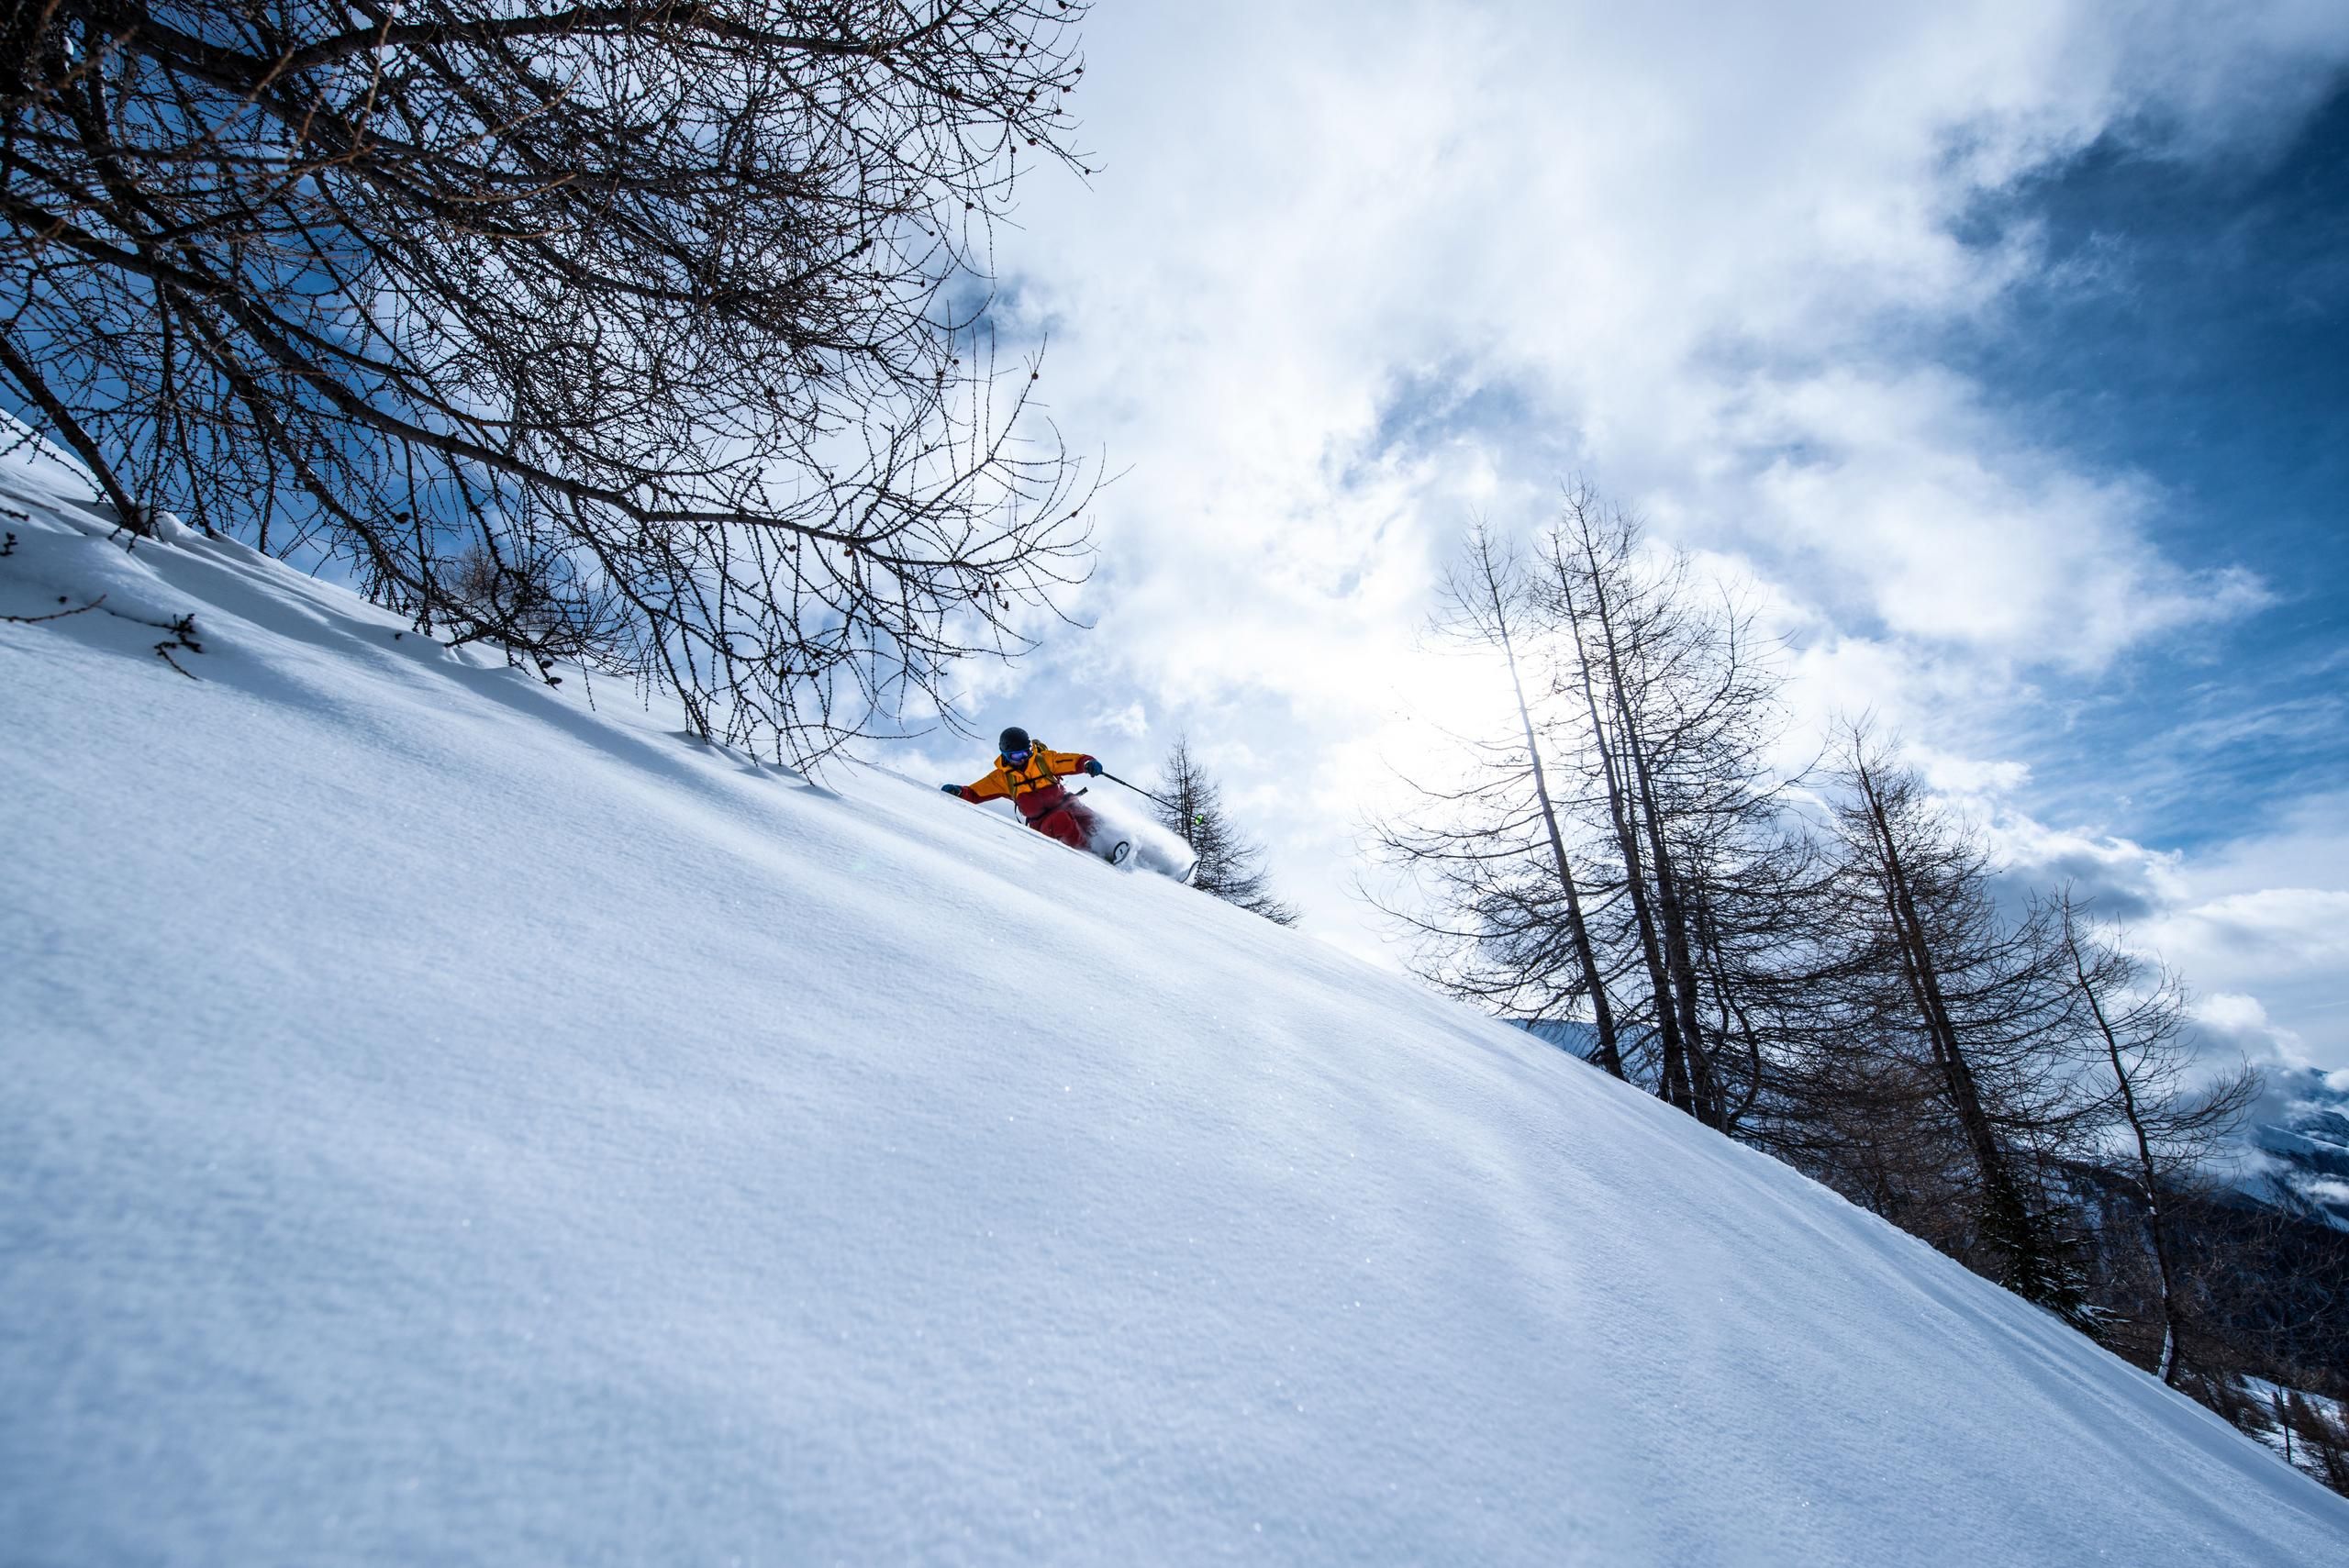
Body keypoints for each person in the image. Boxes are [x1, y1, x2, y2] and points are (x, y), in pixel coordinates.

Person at [941, 726, 1108, 851]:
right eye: (1016, 756)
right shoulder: (1002, 778)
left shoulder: (1043, 760)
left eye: (1026, 753)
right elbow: (975, 793)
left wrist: (1087, 764)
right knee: (1061, 820)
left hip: (1068, 804)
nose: (1023, 759)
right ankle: (1090, 854)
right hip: (1043, 823)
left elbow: (1071, 761)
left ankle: (1118, 844)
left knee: (1092, 820)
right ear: (1005, 755)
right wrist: (959, 792)